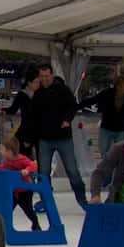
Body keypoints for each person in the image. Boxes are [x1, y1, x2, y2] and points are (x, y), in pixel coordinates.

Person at [32, 63, 86, 210]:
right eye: (41, 76)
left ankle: (83, 200)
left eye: (46, 76)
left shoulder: (62, 90)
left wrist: (67, 119)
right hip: (44, 139)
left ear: (52, 75)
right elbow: (34, 117)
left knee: (72, 170)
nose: (44, 79)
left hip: (63, 138)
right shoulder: (38, 94)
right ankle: (46, 202)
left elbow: (73, 106)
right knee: (43, 172)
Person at [79, 75, 124, 159]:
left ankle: (116, 169)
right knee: (104, 151)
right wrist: (77, 106)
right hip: (106, 128)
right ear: (118, 86)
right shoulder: (107, 93)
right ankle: (107, 168)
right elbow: (93, 100)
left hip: (121, 129)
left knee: (119, 153)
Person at [0, 135, 41, 230]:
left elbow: (33, 165)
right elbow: (3, 168)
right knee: (7, 209)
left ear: (9, 151)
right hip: (14, 191)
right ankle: (3, 228)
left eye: (2, 149)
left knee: (28, 210)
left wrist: (27, 170)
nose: (0, 152)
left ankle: (36, 225)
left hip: (25, 191)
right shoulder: (7, 161)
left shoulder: (21, 159)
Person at [4, 66, 40, 160]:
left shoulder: (40, 94)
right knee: (23, 157)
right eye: (36, 82)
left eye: (38, 82)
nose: (38, 84)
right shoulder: (22, 95)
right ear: (29, 82)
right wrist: (4, 110)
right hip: (26, 131)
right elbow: (13, 109)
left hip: (39, 132)